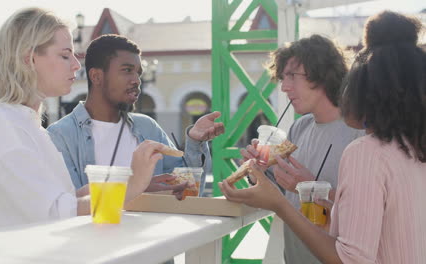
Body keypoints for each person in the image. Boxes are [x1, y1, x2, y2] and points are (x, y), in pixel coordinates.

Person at [221, 11, 426, 263]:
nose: (283, 87)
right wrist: (262, 175)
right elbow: (354, 220)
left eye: (292, 76)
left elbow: (351, 255)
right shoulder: (410, 144)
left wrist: (296, 196)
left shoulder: (366, 147)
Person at [0, 8, 165, 232]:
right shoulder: (0, 126)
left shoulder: (18, 121)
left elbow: (51, 201)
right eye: (65, 55)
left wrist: (114, 185)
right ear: (30, 59)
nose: (76, 64)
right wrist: (133, 185)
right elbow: (58, 214)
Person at [47, 34, 224, 197]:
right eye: (127, 70)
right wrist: (138, 187)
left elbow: (186, 192)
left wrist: (194, 141)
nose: (137, 80)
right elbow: (68, 205)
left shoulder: (148, 127)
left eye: (138, 73)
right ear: (96, 76)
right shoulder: (60, 135)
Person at [241, 35, 364, 263]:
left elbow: (367, 211)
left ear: (322, 73)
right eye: (283, 77)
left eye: (292, 76)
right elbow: (284, 190)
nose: (285, 87)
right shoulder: (299, 127)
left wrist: (309, 187)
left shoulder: (360, 134)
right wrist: (257, 171)